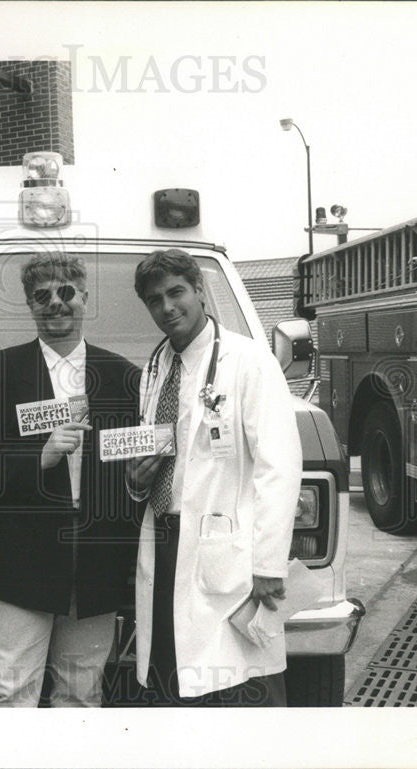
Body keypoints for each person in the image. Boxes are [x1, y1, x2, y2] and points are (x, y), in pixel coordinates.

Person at [0, 253, 140, 707]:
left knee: (81, 694)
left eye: (66, 293)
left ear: (84, 297)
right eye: (42, 296)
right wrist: (37, 456)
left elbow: (137, 461)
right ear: (28, 304)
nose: (55, 304)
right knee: (8, 691)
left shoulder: (124, 376)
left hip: (98, 558)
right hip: (21, 559)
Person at [125, 248, 302, 706]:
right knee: (173, 678)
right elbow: (155, 453)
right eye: (154, 299)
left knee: (238, 687)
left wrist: (268, 564)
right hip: (165, 545)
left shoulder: (248, 361)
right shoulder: (155, 366)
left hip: (228, 556)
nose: (167, 307)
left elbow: (278, 465)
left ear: (199, 290)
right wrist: (138, 482)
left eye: (176, 292)